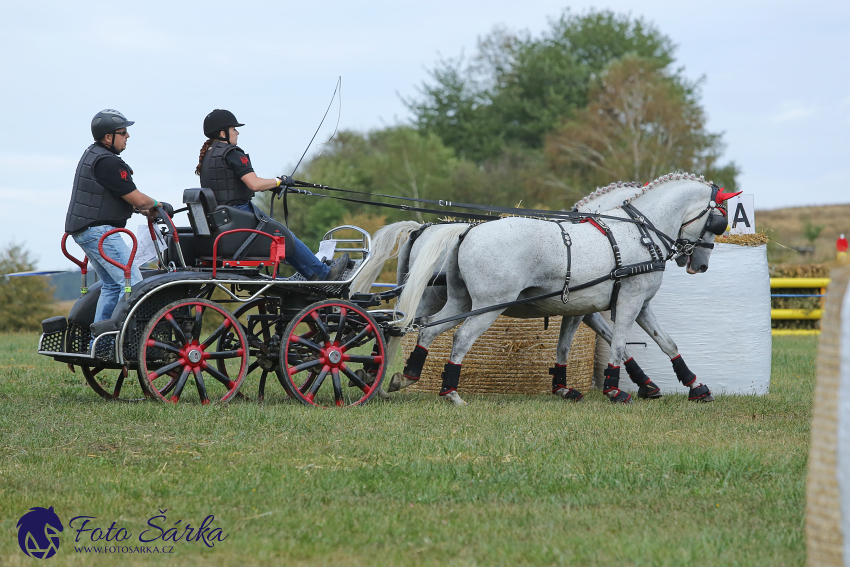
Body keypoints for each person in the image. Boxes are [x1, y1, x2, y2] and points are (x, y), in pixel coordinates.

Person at [195, 109, 348, 281]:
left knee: (283, 236)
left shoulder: (208, 155)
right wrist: (279, 181)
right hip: (238, 215)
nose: (237, 132)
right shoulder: (231, 153)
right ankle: (323, 274)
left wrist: (274, 184)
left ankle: (314, 272)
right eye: (233, 129)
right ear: (222, 133)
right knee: (285, 237)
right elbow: (255, 184)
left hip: (225, 218)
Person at [65, 109, 160, 324]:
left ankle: (99, 343)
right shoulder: (109, 162)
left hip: (85, 231)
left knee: (112, 285)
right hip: (100, 232)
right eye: (123, 132)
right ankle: (115, 341)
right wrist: (157, 205)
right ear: (109, 137)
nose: (128, 136)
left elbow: (108, 197)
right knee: (133, 282)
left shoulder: (93, 155)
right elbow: (137, 199)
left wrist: (140, 208)